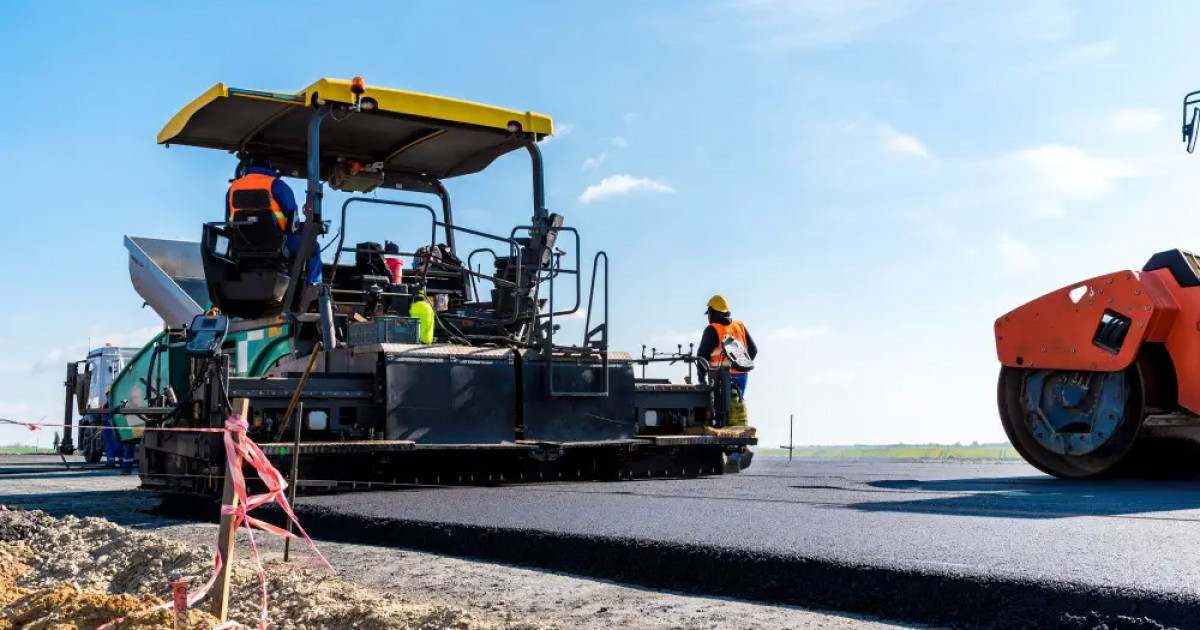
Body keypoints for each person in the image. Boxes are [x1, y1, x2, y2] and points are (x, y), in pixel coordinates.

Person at [226, 156, 322, 284]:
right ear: (270, 167)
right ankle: (313, 285)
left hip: (242, 243)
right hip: (277, 242)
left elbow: (228, 220)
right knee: (313, 246)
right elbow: (292, 217)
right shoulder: (277, 185)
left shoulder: (232, 188)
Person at [696, 294, 757, 400]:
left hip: (720, 377)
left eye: (708, 313)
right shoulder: (739, 326)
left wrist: (701, 379)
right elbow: (753, 350)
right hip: (741, 376)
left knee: (720, 411)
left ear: (712, 312)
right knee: (737, 408)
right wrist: (740, 366)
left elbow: (702, 356)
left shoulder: (712, 329)